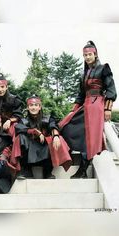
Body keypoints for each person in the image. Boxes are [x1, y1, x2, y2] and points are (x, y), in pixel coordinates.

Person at [59, 40, 117, 178]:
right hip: (86, 104)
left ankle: (83, 169)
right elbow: (81, 94)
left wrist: (108, 108)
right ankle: (80, 165)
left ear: (95, 54)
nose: (87, 57)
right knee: (65, 126)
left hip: (97, 104)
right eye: (85, 55)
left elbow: (111, 88)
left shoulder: (104, 68)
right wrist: (74, 110)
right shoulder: (84, 73)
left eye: (90, 54)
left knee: (90, 137)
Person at [11, 95, 72, 179]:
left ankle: (47, 172)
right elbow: (19, 128)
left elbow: (53, 126)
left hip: (45, 149)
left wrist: (56, 136)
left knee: (56, 139)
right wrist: (34, 131)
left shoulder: (47, 118)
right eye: (31, 105)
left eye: (36, 105)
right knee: (20, 137)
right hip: (30, 151)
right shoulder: (23, 120)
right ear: (28, 107)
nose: (33, 107)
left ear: (40, 107)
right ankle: (27, 171)